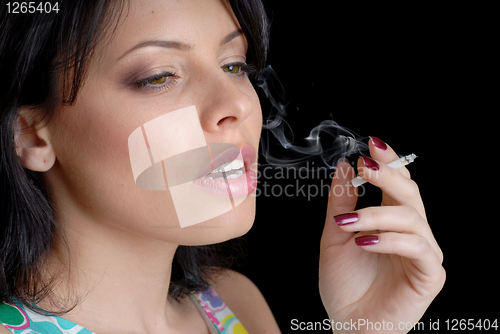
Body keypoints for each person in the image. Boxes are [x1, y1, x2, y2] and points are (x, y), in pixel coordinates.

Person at [0, 0, 445, 333]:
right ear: (32, 135)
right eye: (159, 76)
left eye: (233, 65)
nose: (237, 103)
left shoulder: (235, 305)